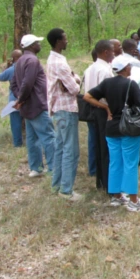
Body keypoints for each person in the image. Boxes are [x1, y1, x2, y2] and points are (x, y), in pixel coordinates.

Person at [84, 57, 140, 211]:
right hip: (129, 128)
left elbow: (87, 96)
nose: (130, 67)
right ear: (125, 68)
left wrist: (105, 108)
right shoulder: (131, 84)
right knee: (130, 163)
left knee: (115, 162)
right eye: (129, 65)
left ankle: (117, 197)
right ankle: (134, 200)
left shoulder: (107, 83)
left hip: (111, 129)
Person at [10, 34, 56, 178]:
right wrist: (21, 99)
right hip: (37, 105)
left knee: (32, 139)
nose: (39, 45)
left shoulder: (20, 61)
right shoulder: (32, 60)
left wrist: (20, 99)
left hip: (27, 107)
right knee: (48, 137)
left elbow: (13, 84)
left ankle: (35, 168)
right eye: (37, 42)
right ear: (31, 45)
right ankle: (54, 169)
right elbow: (27, 83)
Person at [46, 28, 82, 201]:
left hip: (58, 109)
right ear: (58, 41)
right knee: (70, 150)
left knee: (60, 148)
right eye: (65, 39)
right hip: (67, 109)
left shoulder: (52, 59)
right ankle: (66, 190)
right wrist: (76, 78)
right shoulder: (60, 64)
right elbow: (74, 88)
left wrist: (72, 77)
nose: (67, 41)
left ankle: (57, 185)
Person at [83, 40, 115, 188]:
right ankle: (108, 183)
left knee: (97, 144)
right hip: (103, 110)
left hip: (92, 110)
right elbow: (107, 94)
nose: (114, 54)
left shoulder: (89, 69)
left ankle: (100, 181)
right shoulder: (105, 71)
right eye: (113, 51)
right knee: (106, 147)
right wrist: (108, 108)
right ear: (106, 52)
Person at [120, 38, 140, 165]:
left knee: (129, 123)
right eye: (136, 47)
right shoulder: (134, 61)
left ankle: (132, 153)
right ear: (132, 49)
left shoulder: (119, 59)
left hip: (126, 97)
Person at [0, 49, 24, 147]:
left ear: (13, 58)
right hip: (28, 100)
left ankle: (18, 144)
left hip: (14, 100)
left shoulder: (11, 69)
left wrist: (6, 67)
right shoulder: (28, 67)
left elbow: (0, 77)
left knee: (16, 123)